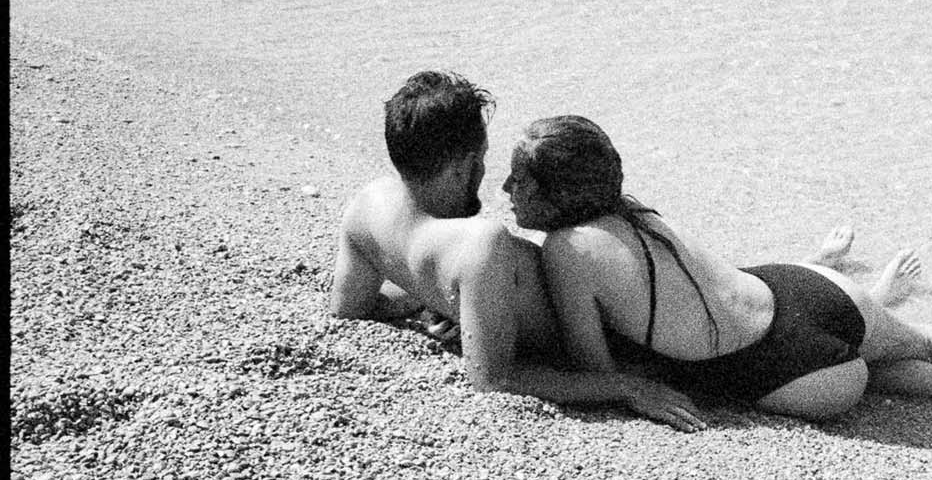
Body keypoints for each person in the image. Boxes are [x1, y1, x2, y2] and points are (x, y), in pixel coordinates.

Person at [510, 114, 932, 422]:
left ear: (559, 197)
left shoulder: (569, 251)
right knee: (921, 341)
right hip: (807, 291)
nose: (507, 188)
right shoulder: (639, 213)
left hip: (795, 368)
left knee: (869, 371)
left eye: (522, 180)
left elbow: (595, 368)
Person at [330, 71, 853, 432]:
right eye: (485, 158)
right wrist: (624, 388)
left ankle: (820, 270)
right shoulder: (480, 244)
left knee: (719, 286)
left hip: (622, 304)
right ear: (465, 161)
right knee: (717, 292)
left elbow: (350, 309)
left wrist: (440, 306)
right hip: (631, 344)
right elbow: (494, 380)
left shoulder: (367, 208)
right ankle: (823, 276)